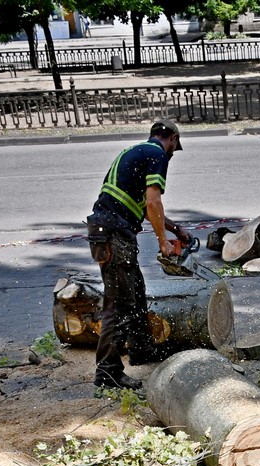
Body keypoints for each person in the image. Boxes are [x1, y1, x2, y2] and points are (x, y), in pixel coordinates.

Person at [85, 119, 191, 390]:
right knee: (118, 304)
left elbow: (145, 206)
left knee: (136, 293)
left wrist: (175, 229)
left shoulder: (137, 151)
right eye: (173, 147)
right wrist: (162, 242)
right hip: (113, 233)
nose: (171, 153)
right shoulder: (157, 154)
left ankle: (141, 349)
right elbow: (154, 200)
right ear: (172, 139)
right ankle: (107, 372)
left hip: (110, 230)